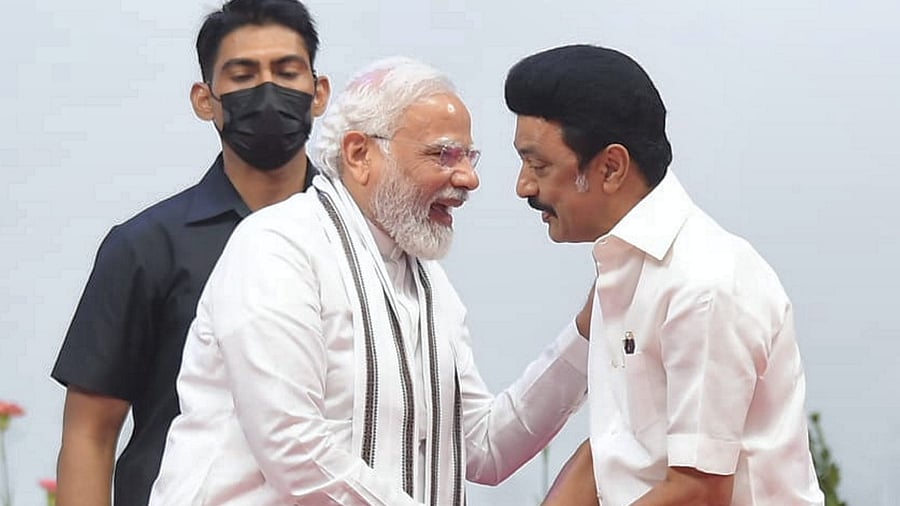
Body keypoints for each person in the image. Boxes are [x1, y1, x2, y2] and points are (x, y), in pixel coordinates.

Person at [148, 56, 590, 506]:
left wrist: (588, 334)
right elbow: (294, 448)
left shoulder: (429, 286)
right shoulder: (278, 247)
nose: (469, 178)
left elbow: (482, 447)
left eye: (469, 157)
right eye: (444, 154)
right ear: (360, 154)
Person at [504, 44, 825, 505]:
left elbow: (699, 492)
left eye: (538, 165)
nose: (524, 186)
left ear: (611, 167)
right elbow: (616, 447)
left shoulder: (703, 283)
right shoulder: (627, 273)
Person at [50, 1, 331, 504]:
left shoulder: (361, 238)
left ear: (319, 92)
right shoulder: (144, 246)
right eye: (242, 75)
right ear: (205, 99)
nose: (267, 92)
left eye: (287, 72)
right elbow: (90, 433)